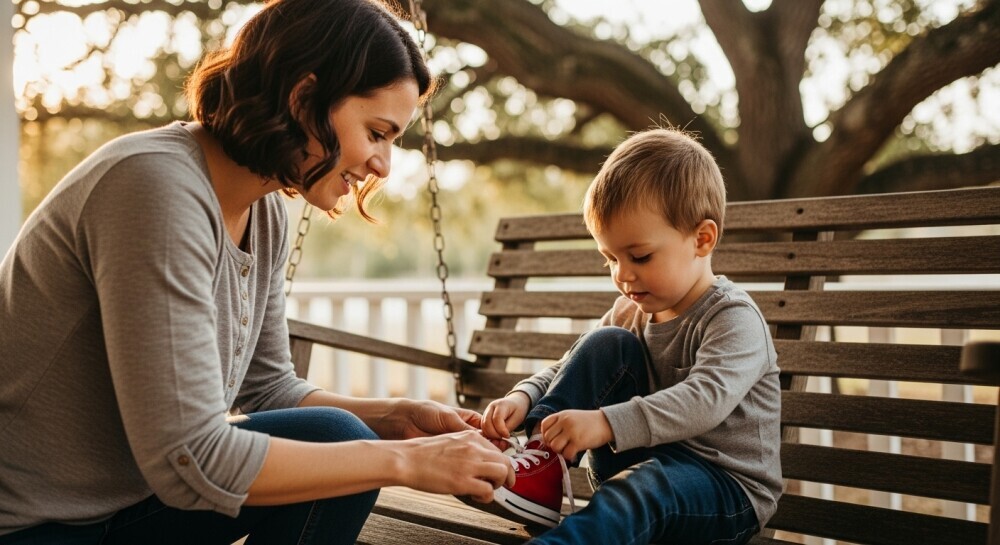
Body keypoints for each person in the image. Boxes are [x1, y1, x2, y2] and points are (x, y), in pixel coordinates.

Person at [0, 0, 514, 543]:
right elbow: (193, 460)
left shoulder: (264, 211)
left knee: (335, 434)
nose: (384, 165)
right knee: (343, 443)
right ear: (303, 98)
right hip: (39, 524)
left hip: (130, 502)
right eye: (378, 132)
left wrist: (396, 417)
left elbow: (268, 387)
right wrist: (405, 462)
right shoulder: (153, 188)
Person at [472, 127, 782, 544]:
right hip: (643, 470)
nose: (622, 274)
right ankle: (543, 466)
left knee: (644, 487)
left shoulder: (732, 317)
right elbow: (571, 366)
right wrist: (524, 397)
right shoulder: (630, 310)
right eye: (610, 259)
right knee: (604, 345)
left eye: (639, 256)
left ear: (702, 239)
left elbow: (705, 400)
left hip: (726, 490)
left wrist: (605, 423)